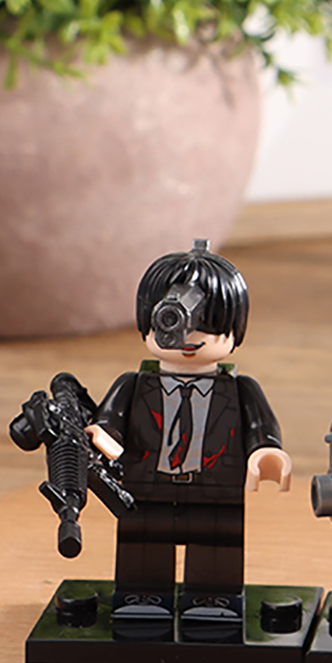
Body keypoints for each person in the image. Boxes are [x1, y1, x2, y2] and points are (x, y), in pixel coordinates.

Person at [88, 241, 291, 628]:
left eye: (208, 324)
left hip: (216, 491)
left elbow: (260, 427)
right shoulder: (133, 385)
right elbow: (109, 420)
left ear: (235, 328)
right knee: (142, 543)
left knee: (216, 545)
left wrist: (266, 452)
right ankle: (142, 595)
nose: (188, 334)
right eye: (171, 320)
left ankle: (213, 597)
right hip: (145, 489)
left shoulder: (240, 390)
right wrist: (103, 437)